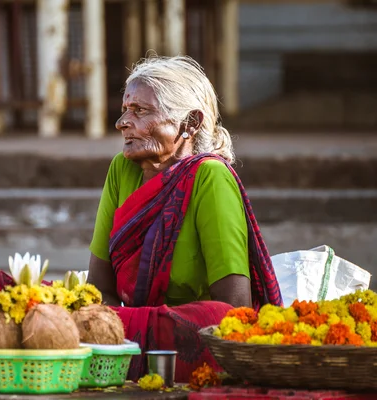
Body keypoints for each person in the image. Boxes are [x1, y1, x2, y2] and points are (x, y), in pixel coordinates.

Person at [88, 56, 283, 382]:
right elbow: (98, 288)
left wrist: (132, 325)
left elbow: (233, 311)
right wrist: (119, 323)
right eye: (125, 109)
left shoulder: (210, 176)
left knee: (215, 319)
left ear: (190, 123)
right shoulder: (122, 169)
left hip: (188, 339)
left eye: (140, 111)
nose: (122, 122)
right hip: (128, 331)